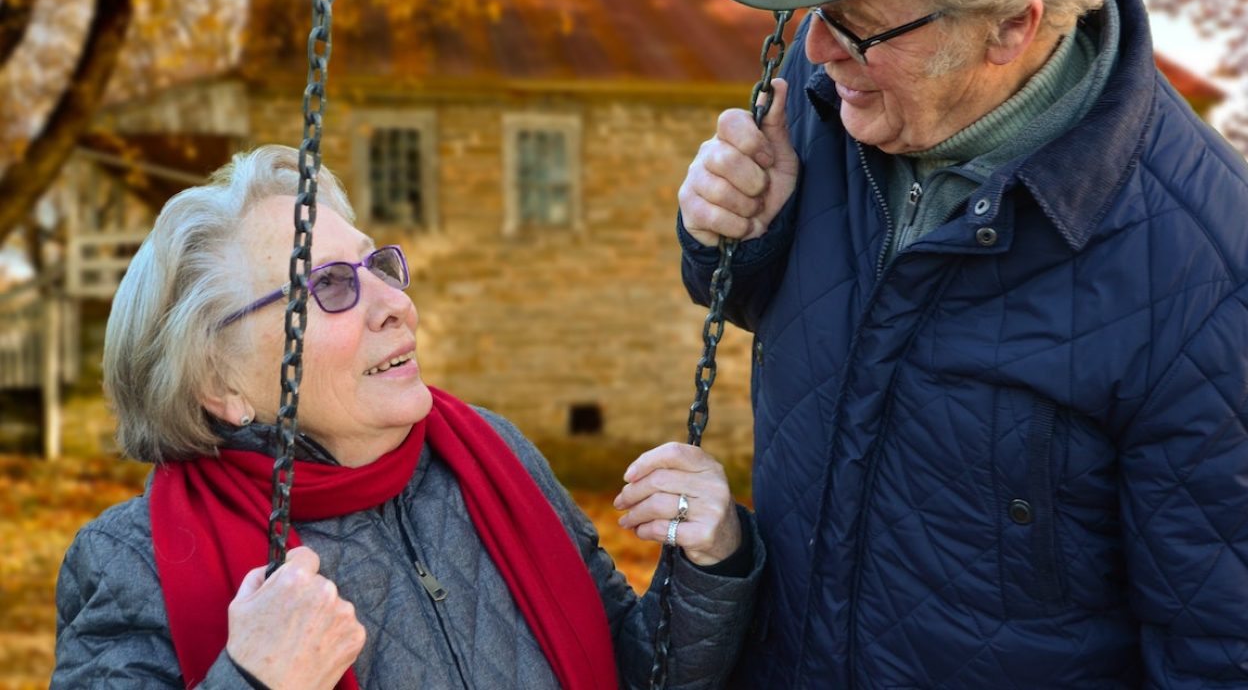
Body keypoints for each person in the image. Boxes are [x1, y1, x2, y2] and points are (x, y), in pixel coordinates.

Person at [673, 0, 1248, 688]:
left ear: (1011, 29)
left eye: (857, 25)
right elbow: (788, 314)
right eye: (814, 12)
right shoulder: (843, 92)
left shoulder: (1212, 275)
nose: (820, 51)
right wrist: (734, 236)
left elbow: (1227, 652)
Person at [53, 144, 763, 690]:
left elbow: (632, 670)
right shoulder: (131, 560)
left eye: (378, 267)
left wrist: (707, 564)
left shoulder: (492, 457)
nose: (394, 302)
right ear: (219, 383)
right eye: (328, 286)